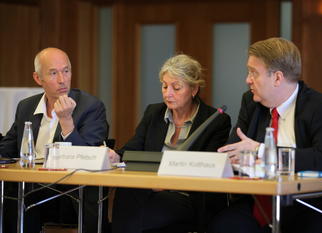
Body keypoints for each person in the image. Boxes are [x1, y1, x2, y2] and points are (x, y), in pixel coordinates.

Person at [207, 37, 322, 233]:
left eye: (253, 73)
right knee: (223, 226)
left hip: (308, 204)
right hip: (257, 201)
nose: (247, 79)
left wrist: (260, 150)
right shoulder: (251, 102)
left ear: (277, 78)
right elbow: (234, 149)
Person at [111, 54, 232, 233]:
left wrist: (167, 184)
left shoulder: (215, 121)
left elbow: (208, 168)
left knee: (144, 212)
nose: (168, 93)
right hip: (148, 188)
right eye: (165, 86)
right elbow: (133, 148)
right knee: (126, 192)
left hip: (185, 194)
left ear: (194, 89)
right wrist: (115, 154)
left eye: (176, 88)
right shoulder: (154, 112)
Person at [0, 47, 110, 233]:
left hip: (69, 190)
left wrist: (67, 122)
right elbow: (8, 147)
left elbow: (88, 157)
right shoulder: (27, 106)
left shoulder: (90, 106)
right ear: (38, 78)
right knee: (11, 194)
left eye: (66, 71)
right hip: (27, 184)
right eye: (53, 73)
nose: (62, 79)